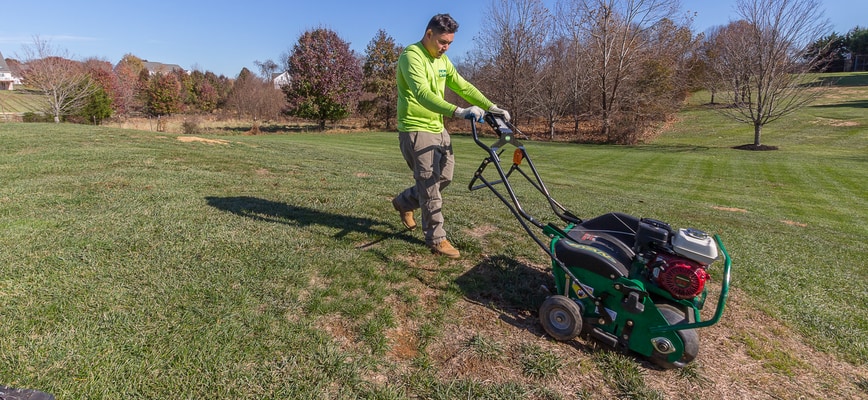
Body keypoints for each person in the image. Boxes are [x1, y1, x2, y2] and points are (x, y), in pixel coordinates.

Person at [392, 13, 510, 259]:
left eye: (450, 44)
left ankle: (404, 202)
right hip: (416, 128)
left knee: (444, 177)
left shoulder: (442, 61)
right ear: (429, 34)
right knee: (430, 186)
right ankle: (437, 238)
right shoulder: (411, 56)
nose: (445, 48)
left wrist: (491, 107)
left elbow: (463, 86)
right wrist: (459, 111)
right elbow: (422, 94)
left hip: (438, 128)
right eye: (442, 42)